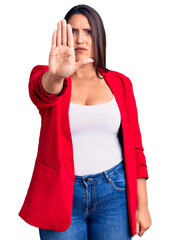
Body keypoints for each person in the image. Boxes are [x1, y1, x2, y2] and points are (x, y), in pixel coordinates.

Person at [18, 4, 152, 240]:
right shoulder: (50, 77)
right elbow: (42, 91)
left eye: (88, 31)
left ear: (98, 36)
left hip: (114, 193)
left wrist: (143, 205)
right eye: (73, 31)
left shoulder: (121, 83)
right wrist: (57, 74)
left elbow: (135, 148)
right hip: (62, 195)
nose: (80, 38)